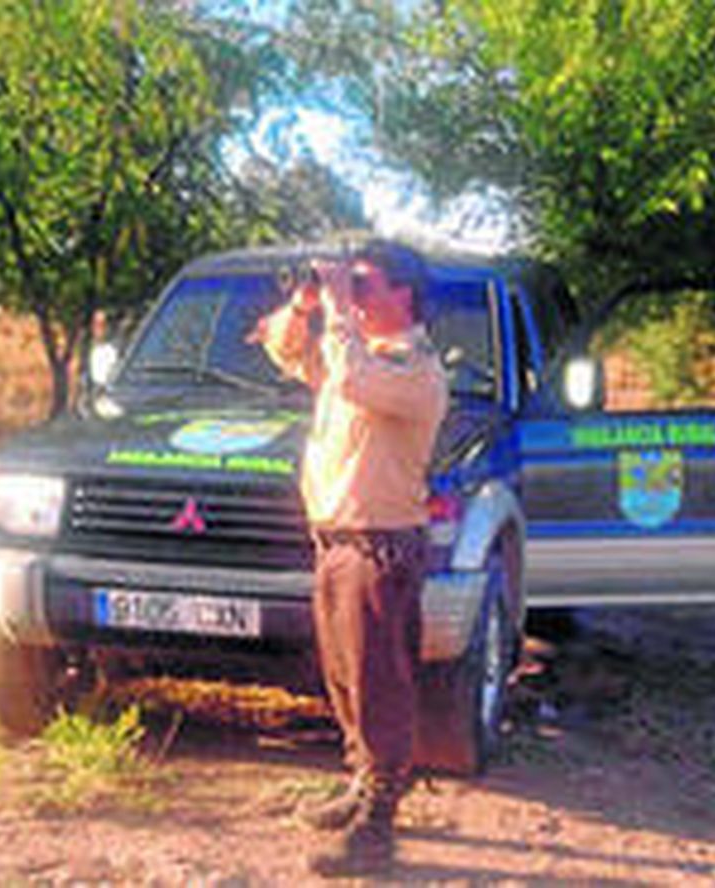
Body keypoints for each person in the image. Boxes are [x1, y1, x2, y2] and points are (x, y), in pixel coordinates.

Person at [249, 242, 449, 876]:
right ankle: (360, 782)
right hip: (336, 541)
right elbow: (283, 349)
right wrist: (306, 302)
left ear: (404, 295)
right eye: (352, 286)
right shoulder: (350, 355)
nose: (355, 297)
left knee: (378, 682)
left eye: (366, 285)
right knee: (344, 679)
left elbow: (353, 379)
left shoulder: (416, 369)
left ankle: (378, 821)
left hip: (380, 544)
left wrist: (336, 309)